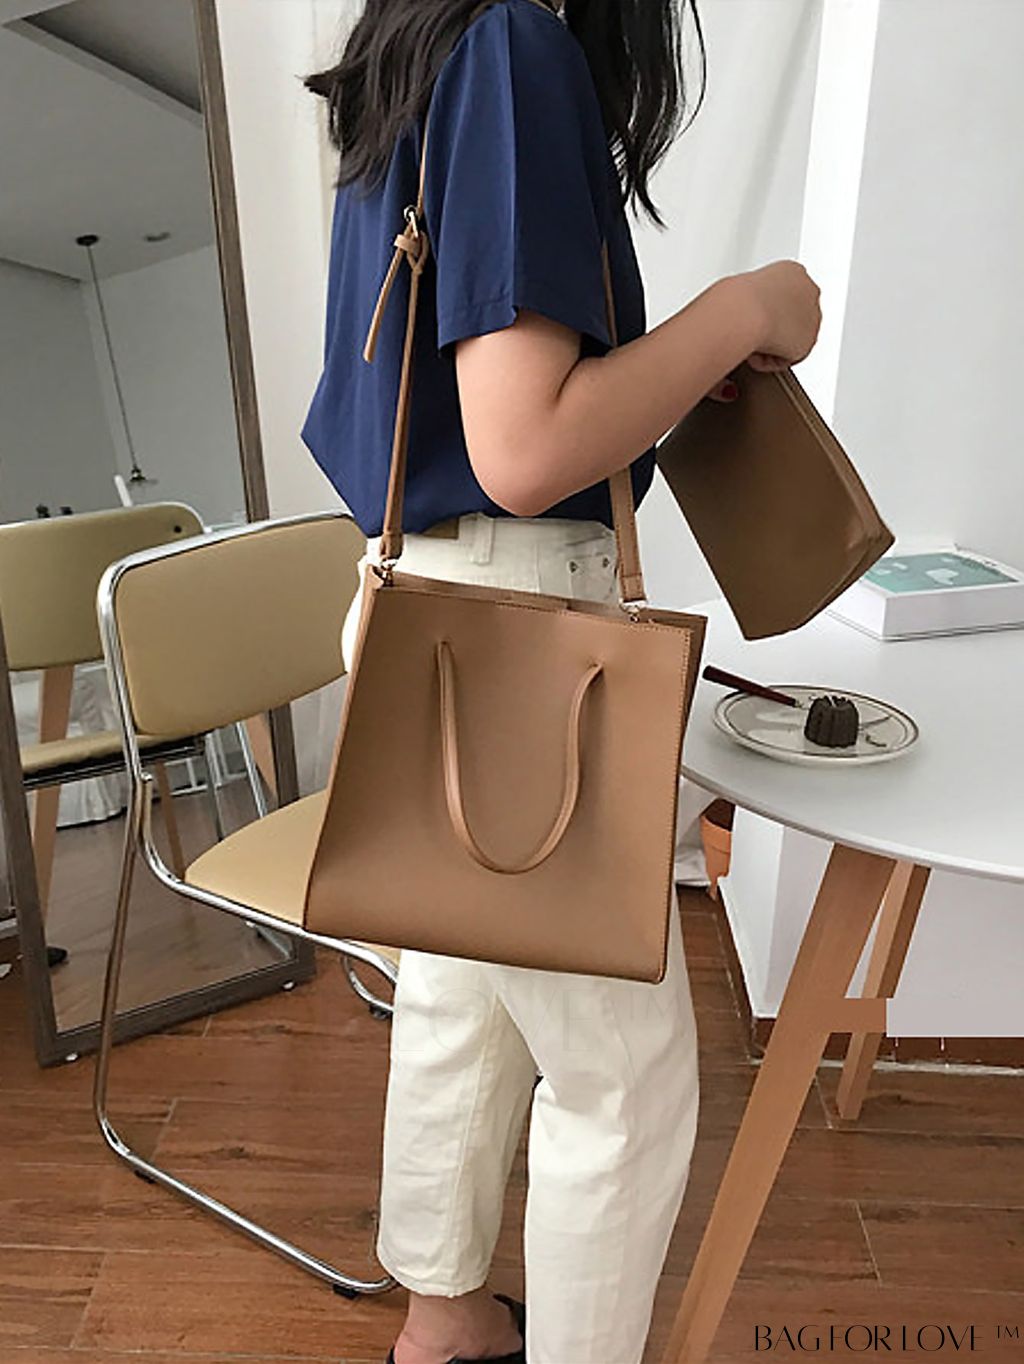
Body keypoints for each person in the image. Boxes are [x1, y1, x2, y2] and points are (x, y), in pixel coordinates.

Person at [303, 3, 821, 1361]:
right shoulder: (515, 47)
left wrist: (665, 368)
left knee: (460, 1000)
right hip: (515, 634)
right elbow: (526, 450)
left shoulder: (424, 37)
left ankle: (446, 1321)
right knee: (624, 1073)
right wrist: (741, 310)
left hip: (422, 603)